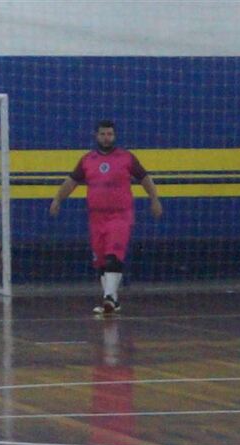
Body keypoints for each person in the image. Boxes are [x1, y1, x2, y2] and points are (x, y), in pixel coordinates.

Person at [49, 120, 162, 314]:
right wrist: (58, 199)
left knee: (113, 255)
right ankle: (113, 301)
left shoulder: (126, 158)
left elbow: (145, 179)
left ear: (114, 136)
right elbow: (71, 182)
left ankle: (108, 297)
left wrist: (154, 199)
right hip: (96, 218)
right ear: (96, 136)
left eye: (109, 134)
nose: (106, 137)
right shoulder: (87, 160)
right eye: (102, 134)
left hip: (120, 215)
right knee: (101, 262)